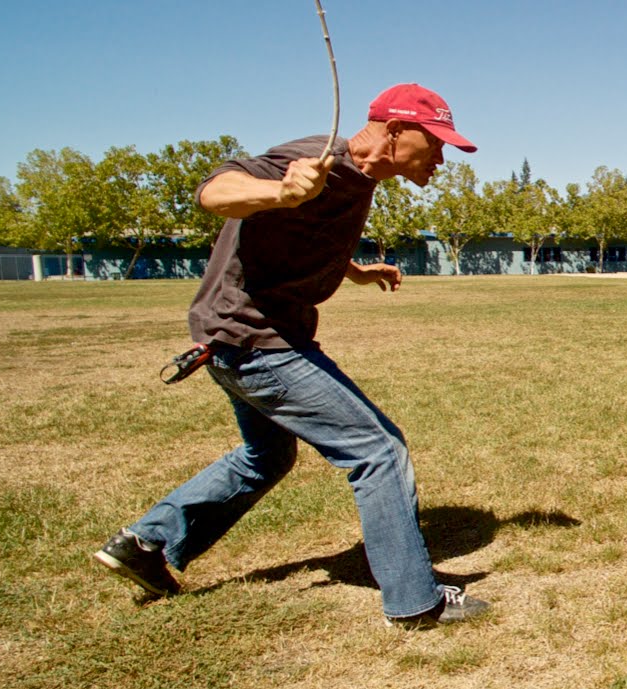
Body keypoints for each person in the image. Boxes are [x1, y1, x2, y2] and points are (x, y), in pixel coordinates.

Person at [94, 83, 490, 626]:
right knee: (378, 450)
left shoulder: (361, 178)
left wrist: (354, 271)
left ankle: (147, 544)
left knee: (267, 456)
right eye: (437, 143)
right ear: (397, 131)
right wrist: (280, 190)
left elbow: (301, 231)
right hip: (259, 342)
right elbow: (214, 191)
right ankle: (414, 602)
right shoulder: (314, 158)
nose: (442, 158)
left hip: (232, 337)